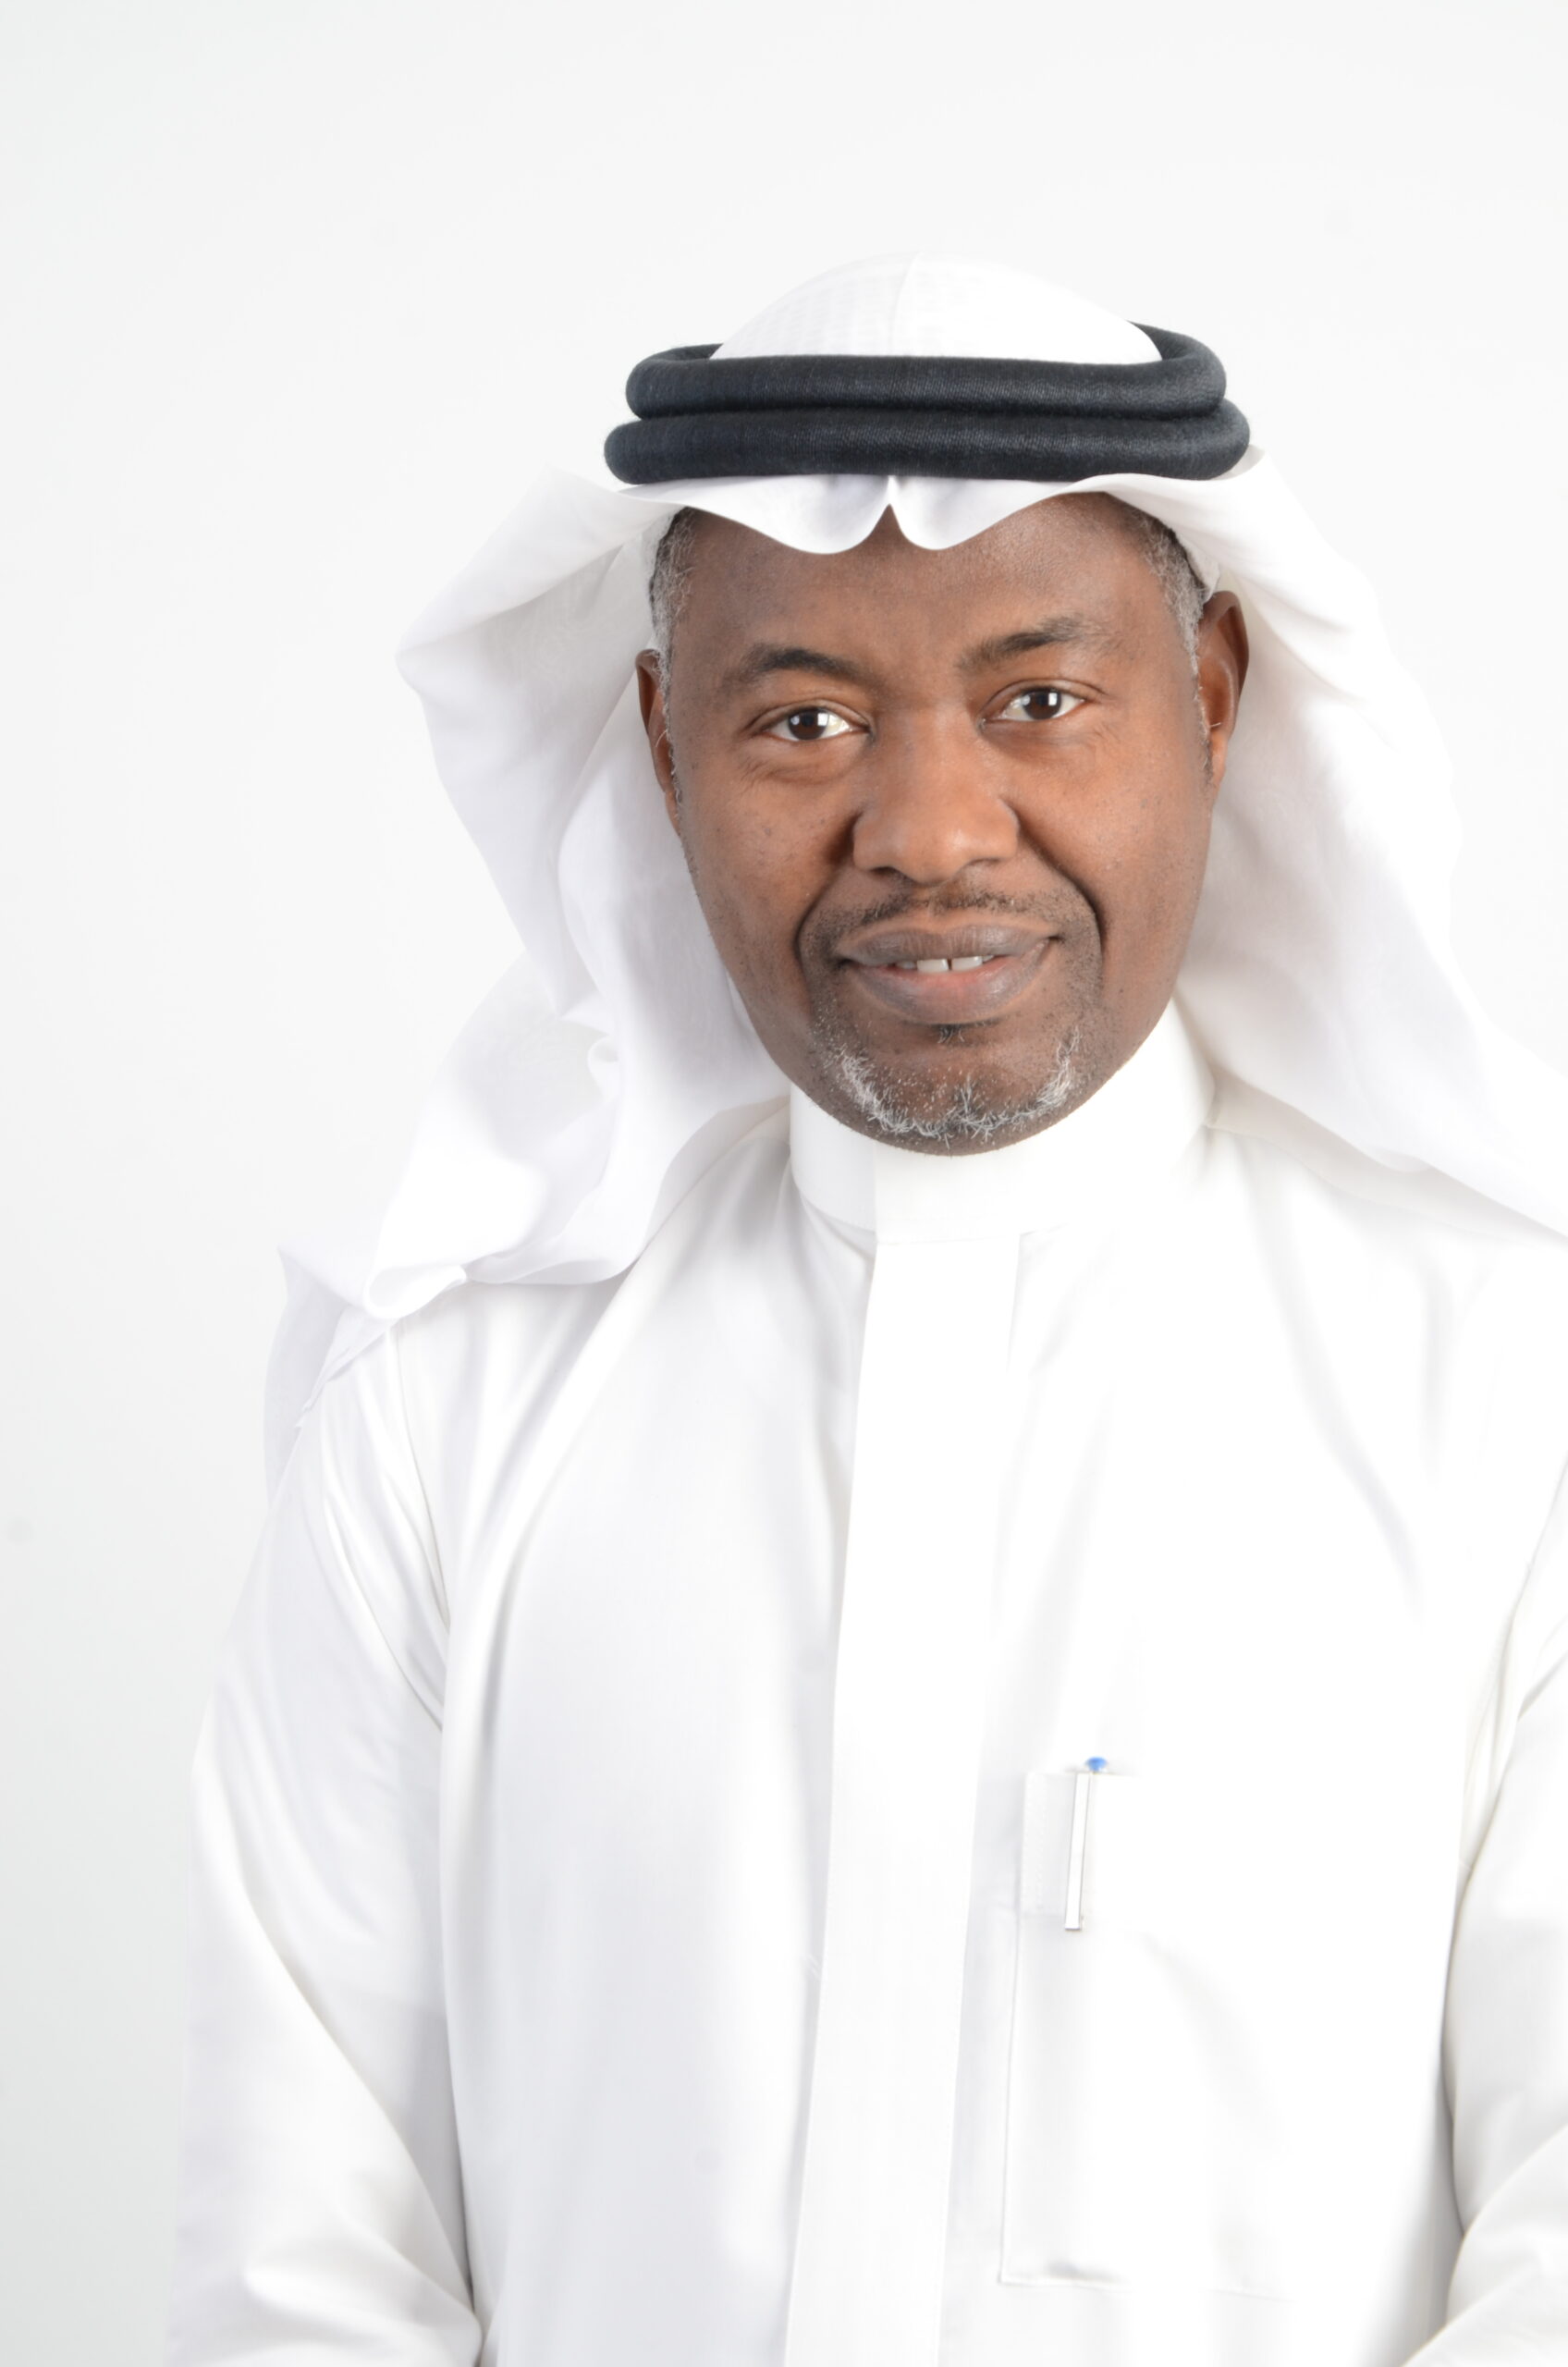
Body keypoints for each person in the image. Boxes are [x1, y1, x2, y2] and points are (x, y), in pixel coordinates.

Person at [166, 255, 1568, 2367]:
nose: (927, 834)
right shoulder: (445, 1412)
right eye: (804, 719)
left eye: (1039, 700)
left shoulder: (1509, 1396)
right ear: (663, 746)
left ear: (1210, 698)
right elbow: (298, 2268)